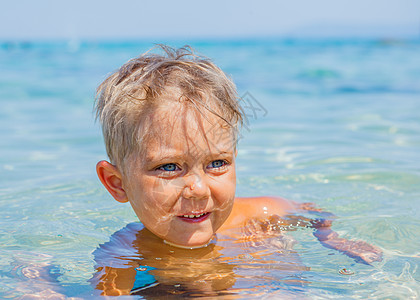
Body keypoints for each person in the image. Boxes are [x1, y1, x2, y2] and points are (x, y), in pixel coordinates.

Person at [93, 45, 382, 296]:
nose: (199, 189)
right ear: (117, 183)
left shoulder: (257, 215)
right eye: (169, 167)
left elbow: (311, 213)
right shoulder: (124, 254)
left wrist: (332, 240)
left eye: (216, 163)